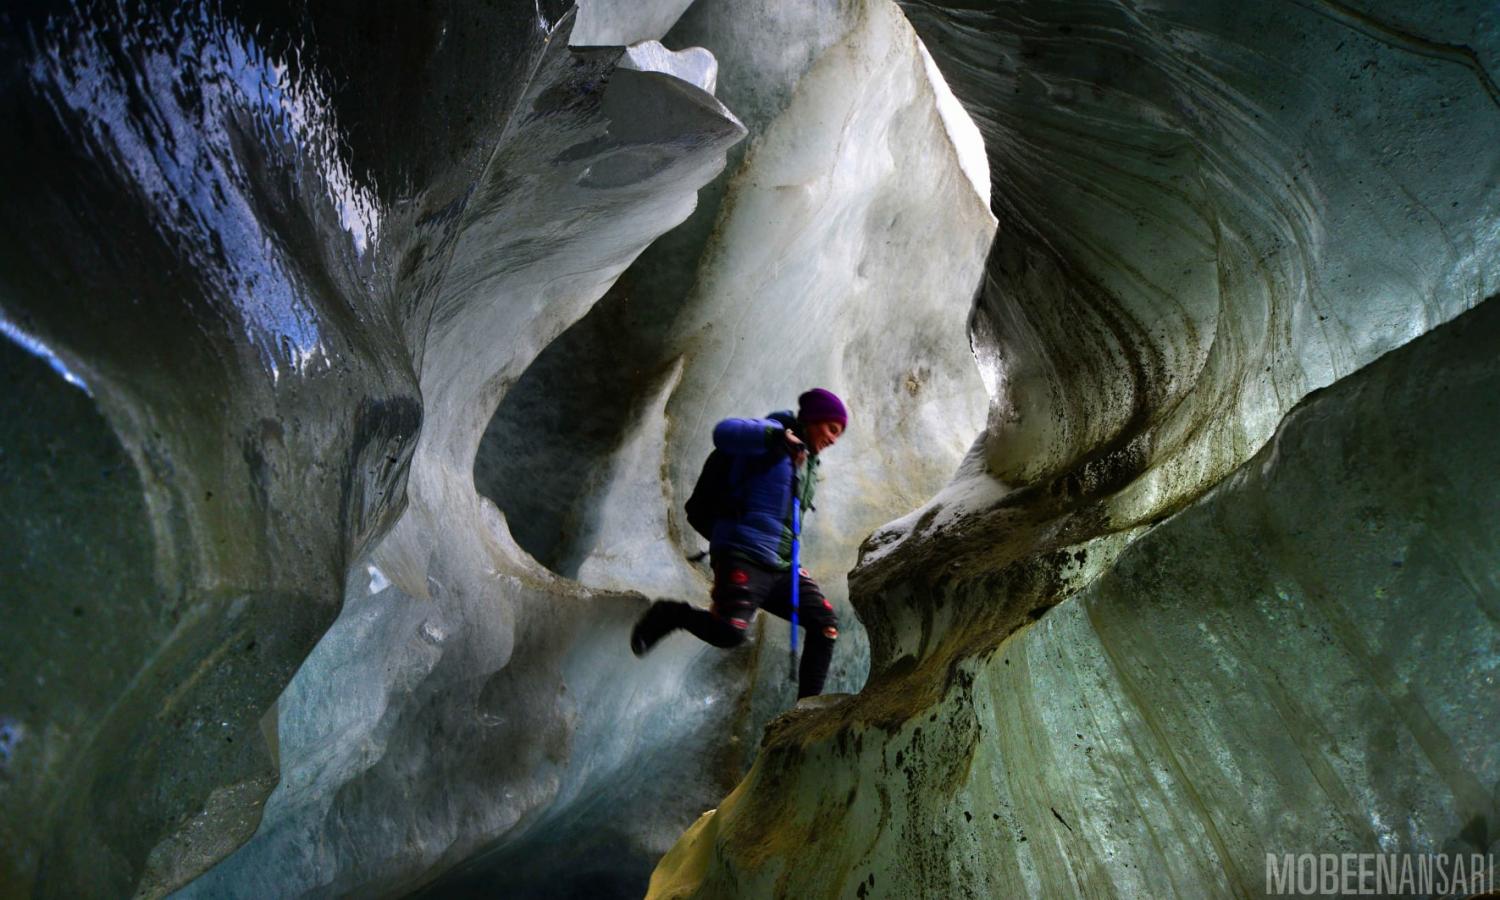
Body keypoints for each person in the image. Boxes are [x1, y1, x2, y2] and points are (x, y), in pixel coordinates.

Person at [630, 388, 848, 698]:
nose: (834, 439)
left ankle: (808, 711)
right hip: (743, 553)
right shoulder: (772, 432)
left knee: (825, 625)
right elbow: (724, 432)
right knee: (729, 632)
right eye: (832, 428)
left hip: (782, 567)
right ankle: (671, 614)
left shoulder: (808, 462)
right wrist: (775, 438)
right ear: (813, 419)